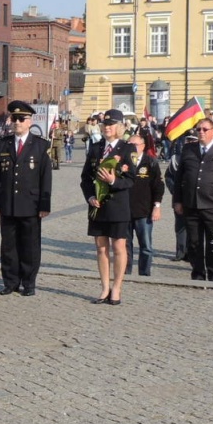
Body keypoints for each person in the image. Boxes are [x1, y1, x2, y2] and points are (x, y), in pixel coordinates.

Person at [0, 101, 52, 297]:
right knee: (8, 245)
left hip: (31, 204)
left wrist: (44, 204)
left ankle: (29, 282)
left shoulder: (41, 145)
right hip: (7, 203)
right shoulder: (3, 144)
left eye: (20, 119)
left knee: (30, 245)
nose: (16, 122)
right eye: (14, 118)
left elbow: (45, 178)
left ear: (29, 121)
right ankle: (10, 282)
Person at [80, 109, 135, 305]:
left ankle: (117, 288)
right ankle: (104, 287)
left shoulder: (127, 149)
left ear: (119, 127)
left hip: (118, 206)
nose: (107, 128)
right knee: (100, 248)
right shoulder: (95, 148)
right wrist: (89, 197)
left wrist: (113, 181)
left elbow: (131, 180)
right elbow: (85, 178)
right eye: (105, 124)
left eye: (111, 124)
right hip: (98, 205)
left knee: (119, 247)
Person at [172, 118, 213, 282]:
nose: (201, 132)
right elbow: (179, 178)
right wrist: (177, 201)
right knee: (194, 243)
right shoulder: (188, 149)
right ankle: (198, 273)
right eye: (198, 129)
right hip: (191, 204)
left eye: (204, 129)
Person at [124, 135, 164, 276]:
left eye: (135, 144)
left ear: (142, 146)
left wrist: (157, 206)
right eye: (129, 144)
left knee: (146, 246)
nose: (132, 147)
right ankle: (125, 272)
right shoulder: (123, 161)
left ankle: (144, 273)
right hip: (124, 210)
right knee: (125, 246)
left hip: (144, 211)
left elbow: (158, 186)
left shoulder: (150, 162)